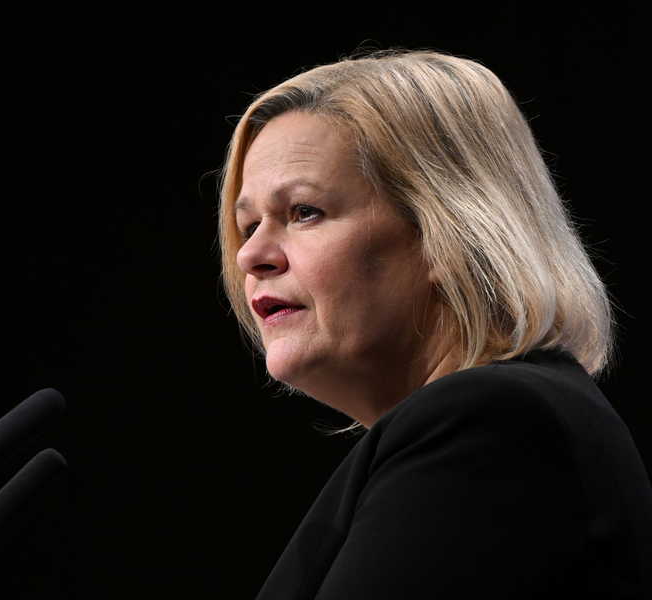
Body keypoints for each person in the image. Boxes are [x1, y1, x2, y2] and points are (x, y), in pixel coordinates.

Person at [218, 50, 652, 599]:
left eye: (304, 212)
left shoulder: (495, 424)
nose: (250, 255)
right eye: (249, 224)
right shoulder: (469, 430)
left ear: (448, 232)